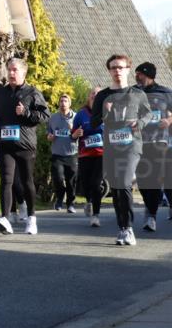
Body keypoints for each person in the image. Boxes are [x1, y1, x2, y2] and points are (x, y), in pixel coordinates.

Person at [92, 55, 151, 246]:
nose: (117, 71)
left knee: (125, 182)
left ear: (127, 70)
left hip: (132, 146)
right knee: (117, 188)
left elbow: (148, 114)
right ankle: (122, 228)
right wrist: (105, 112)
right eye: (113, 68)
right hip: (111, 148)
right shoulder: (102, 96)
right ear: (109, 71)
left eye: (120, 67)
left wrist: (140, 123)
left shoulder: (138, 93)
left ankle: (129, 229)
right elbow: (94, 123)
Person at [0, 58, 49, 235]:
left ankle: (31, 218)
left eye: (15, 70)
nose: (11, 73)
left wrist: (27, 112)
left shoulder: (32, 92)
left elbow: (45, 116)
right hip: (5, 144)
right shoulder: (1, 92)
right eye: (9, 70)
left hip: (25, 145)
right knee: (6, 181)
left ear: (24, 73)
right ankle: (5, 218)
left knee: (26, 181)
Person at [133, 62, 172, 232]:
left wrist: (169, 120)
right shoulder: (133, 92)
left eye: (139, 74)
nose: (136, 77)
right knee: (142, 179)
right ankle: (150, 208)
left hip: (159, 141)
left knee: (156, 177)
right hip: (138, 142)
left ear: (147, 74)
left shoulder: (165, 93)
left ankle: (151, 215)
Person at [72, 87, 105, 227]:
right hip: (85, 154)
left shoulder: (107, 113)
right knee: (85, 183)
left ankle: (96, 215)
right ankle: (89, 201)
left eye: (98, 94)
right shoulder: (81, 114)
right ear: (89, 97)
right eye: (93, 93)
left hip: (102, 154)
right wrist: (76, 134)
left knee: (96, 184)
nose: (95, 95)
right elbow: (72, 135)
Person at [47, 93, 79, 213]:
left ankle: (70, 203)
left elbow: (80, 135)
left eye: (65, 101)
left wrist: (73, 131)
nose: (63, 103)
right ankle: (60, 197)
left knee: (71, 181)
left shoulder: (76, 118)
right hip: (57, 154)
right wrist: (49, 137)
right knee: (58, 178)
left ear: (70, 104)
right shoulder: (53, 118)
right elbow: (48, 133)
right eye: (61, 101)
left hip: (72, 153)